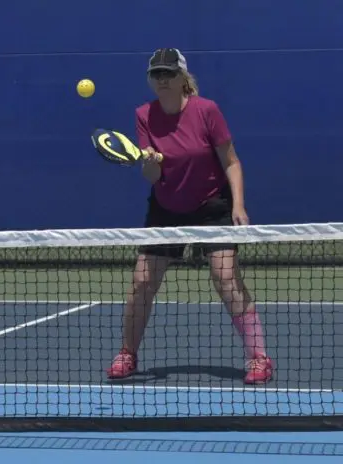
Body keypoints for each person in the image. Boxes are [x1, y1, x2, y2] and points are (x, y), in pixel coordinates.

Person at [105, 48, 273, 385]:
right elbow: (151, 178)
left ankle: (259, 358)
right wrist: (151, 163)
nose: (163, 79)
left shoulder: (206, 110)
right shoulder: (143, 115)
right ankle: (127, 353)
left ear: (183, 77)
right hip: (166, 208)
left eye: (169, 73)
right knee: (141, 282)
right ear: (150, 80)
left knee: (226, 278)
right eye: (156, 74)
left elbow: (231, 161)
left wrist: (238, 205)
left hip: (212, 206)